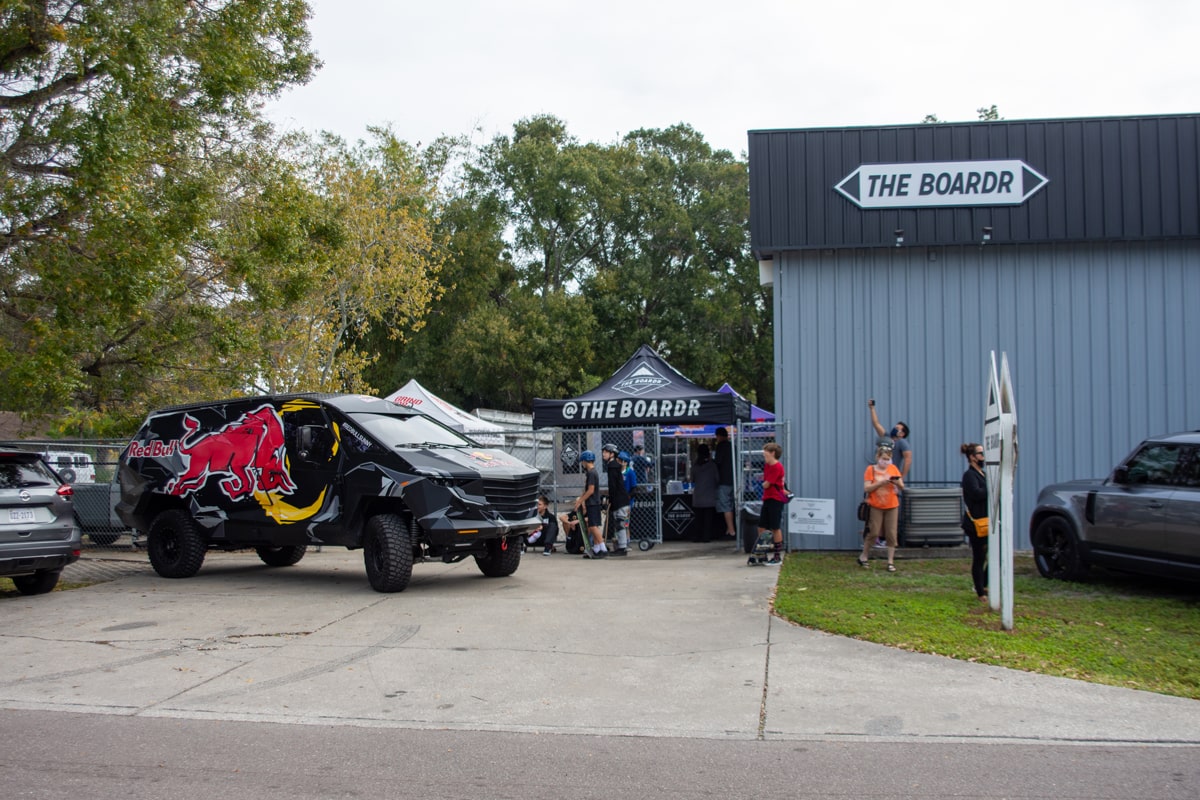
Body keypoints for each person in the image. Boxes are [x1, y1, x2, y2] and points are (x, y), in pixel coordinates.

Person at [869, 399, 912, 547]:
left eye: (898, 428)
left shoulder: (902, 443)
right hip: (877, 476)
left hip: (890, 479)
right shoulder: (887, 437)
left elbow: (907, 459)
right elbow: (876, 424)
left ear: (903, 433)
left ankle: (887, 539)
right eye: (895, 426)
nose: (895, 428)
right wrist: (872, 408)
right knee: (876, 505)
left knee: (888, 508)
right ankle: (877, 537)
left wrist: (901, 478)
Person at [859, 442, 904, 571]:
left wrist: (896, 483)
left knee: (891, 533)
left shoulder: (893, 469)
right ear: (878, 457)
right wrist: (881, 482)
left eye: (888, 459)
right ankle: (864, 556)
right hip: (876, 505)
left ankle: (890, 561)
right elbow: (867, 487)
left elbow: (902, 486)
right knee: (874, 531)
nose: (886, 461)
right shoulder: (871, 469)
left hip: (892, 504)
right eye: (883, 458)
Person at [960, 442, 989, 601]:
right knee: (979, 557)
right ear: (972, 457)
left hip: (986, 519)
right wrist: (991, 488)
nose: (983, 457)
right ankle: (980, 590)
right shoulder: (969, 475)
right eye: (980, 454)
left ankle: (984, 583)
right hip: (976, 523)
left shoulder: (982, 473)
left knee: (989, 555)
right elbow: (976, 494)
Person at [573, 450, 607, 558]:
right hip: (592, 503)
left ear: (585, 461)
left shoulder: (592, 473)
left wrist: (580, 500)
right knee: (593, 526)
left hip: (593, 503)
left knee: (593, 527)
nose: (582, 464)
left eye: (582, 462)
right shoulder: (591, 473)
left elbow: (591, 490)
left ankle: (603, 548)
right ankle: (596, 548)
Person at [757, 442, 787, 564]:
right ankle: (762, 552)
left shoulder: (777, 467)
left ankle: (777, 556)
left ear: (773, 454)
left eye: (766, 455)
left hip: (776, 499)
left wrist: (765, 483)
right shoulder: (767, 466)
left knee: (775, 527)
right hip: (767, 498)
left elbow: (767, 483)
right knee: (761, 526)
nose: (764, 457)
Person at [601, 443, 630, 557]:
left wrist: (611, 500)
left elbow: (613, 486)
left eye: (606, 452)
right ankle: (621, 546)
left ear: (612, 454)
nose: (603, 454)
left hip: (620, 500)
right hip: (620, 500)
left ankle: (622, 548)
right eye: (603, 452)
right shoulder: (613, 465)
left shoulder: (612, 466)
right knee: (619, 523)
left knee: (620, 523)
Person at [690, 443, 719, 542]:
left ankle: (697, 536)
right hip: (710, 496)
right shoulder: (712, 465)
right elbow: (717, 479)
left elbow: (692, 479)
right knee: (708, 519)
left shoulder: (695, 465)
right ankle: (707, 537)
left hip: (698, 496)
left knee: (698, 518)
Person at [713, 427, 737, 539]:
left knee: (725, 505)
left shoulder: (721, 447)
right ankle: (730, 529)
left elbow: (717, 461)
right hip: (734, 479)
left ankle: (731, 530)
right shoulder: (733, 446)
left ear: (719, 436)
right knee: (733, 504)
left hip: (723, 480)